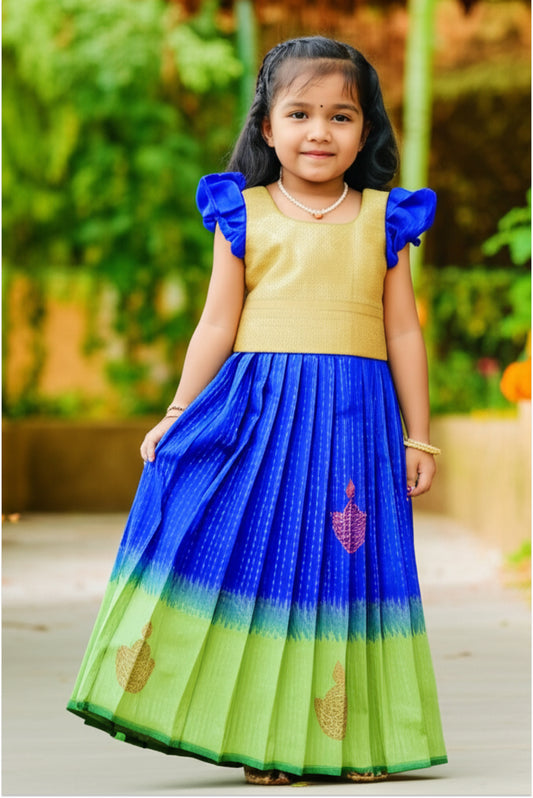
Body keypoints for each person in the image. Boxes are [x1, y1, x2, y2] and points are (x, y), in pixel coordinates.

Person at [68, 35, 447, 785]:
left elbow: (403, 331)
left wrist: (421, 437)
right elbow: (216, 323)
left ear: (365, 131)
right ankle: (257, 740)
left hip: (354, 425)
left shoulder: (385, 220)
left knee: (346, 574)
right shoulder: (242, 213)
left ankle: (353, 742)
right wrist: (178, 410)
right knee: (265, 565)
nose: (319, 132)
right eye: (299, 114)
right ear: (267, 128)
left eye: (341, 116)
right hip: (262, 417)